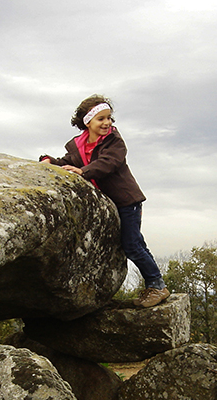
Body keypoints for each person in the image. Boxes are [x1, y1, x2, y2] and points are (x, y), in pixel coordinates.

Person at [40, 95, 170, 309]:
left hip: (127, 201)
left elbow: (108, 163)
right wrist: (50, 162)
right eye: (101, 119)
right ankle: (156, 283)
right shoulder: (79, 145)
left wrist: (83, 171)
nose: (107, 123)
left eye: (109, 118)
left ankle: (157, 285)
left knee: (131, 245)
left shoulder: (114, 141)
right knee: (136, 243)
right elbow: (69, 162)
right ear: (87, 122)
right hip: (110, 203)